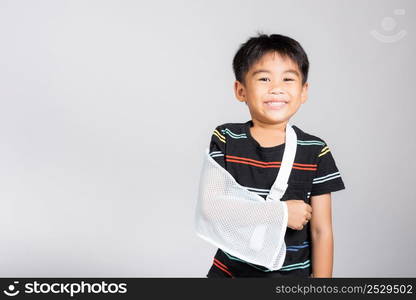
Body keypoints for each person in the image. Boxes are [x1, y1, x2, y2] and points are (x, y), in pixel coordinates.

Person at [204, 33, 345, 278]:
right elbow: (212, 207)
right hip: (230, 274)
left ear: (304, 91)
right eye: (264, 78)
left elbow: (322, 230)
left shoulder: (315, 150)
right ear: (241, 90)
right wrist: (281, 214)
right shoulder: (227, 138)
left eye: (288, 79)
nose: (276, 88)